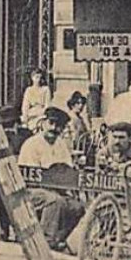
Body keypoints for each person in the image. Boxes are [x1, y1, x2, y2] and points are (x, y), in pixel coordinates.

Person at [17, 108, 86, 252]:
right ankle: (44, 240)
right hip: (31, 190)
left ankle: (58, 238)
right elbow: (30, 177)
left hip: (54, 190)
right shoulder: (32, 144)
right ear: (44, 123)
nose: (54, 128)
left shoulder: (61, 145)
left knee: (78, 206)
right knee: (55, 200)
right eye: (52, 123)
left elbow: (67, 170)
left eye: (59, 125)